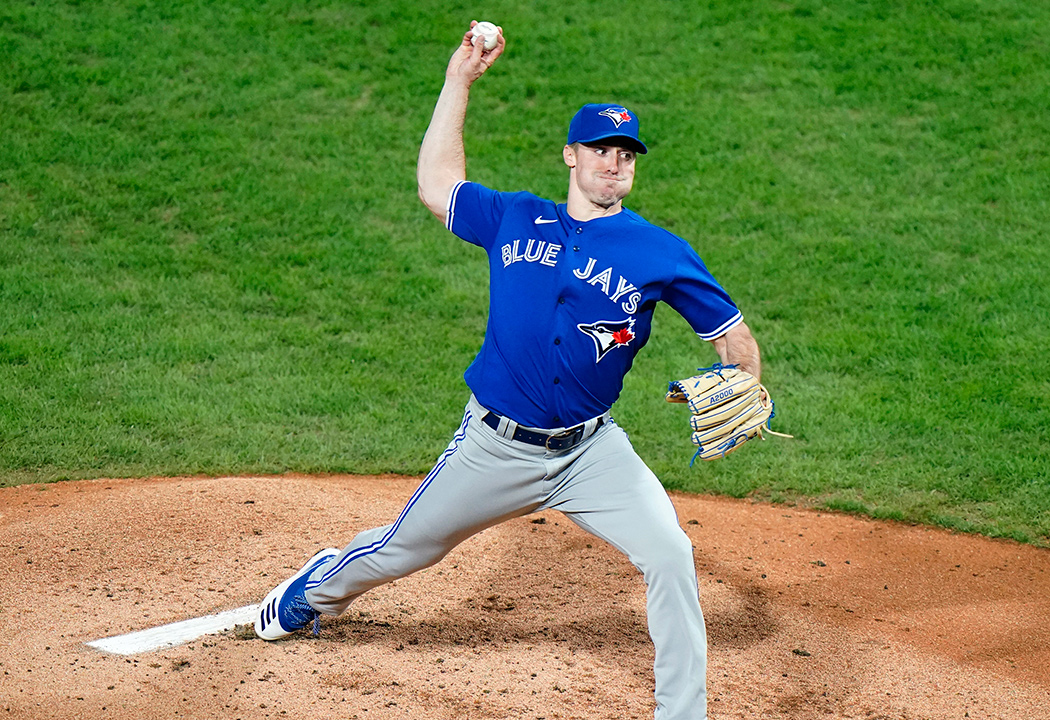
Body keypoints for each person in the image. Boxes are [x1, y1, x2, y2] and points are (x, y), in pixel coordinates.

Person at [254, 22, 766, 720]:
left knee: (671, 554)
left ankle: (683, 714)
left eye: (625, 154)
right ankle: (315, 591)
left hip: (591, 453)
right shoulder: (515, 217)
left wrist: (746, 379)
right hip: (494, 448)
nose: (614, 163)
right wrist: (458, 80)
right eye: (600, 150)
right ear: (571, 156)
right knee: (403, 550)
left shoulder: (661, 251)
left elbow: (731, 334)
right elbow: (437, 185)